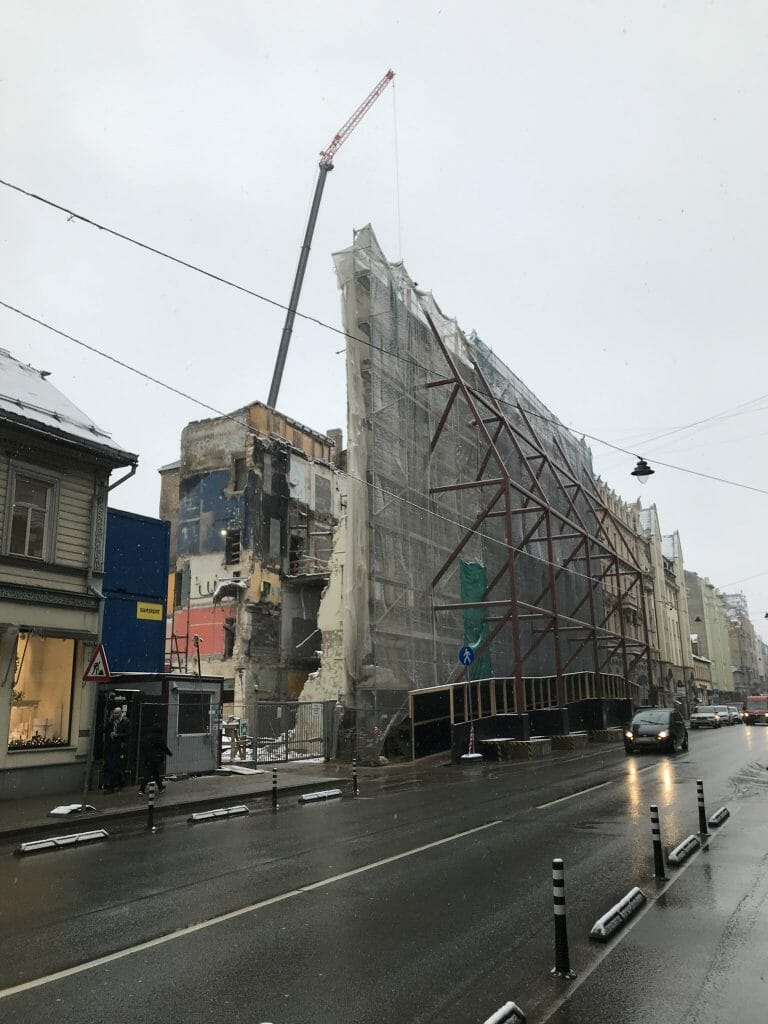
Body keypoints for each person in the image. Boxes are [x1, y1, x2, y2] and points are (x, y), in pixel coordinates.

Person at [138, 720, 173, 795]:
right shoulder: (158, 737)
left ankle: (160, 787)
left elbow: (143, 746)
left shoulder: (147, 736)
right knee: (150, 773)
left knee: (155, 772)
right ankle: (141, 789)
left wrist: (146, 756)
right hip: (155, 757)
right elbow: (163, 746)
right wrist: (169, 753)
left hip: (148, 757)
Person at [103, 705, 130, 792]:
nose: (115, 715)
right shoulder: (112, 721)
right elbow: (106, 729)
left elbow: (128, 734)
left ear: (120, 713)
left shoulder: (125, 721)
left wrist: (117, 735)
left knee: (115, 766)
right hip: (111, 746)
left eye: (117, 713)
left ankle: (113, 785)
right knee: (112, 766)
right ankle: (118, 783)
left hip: (119, 747)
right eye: (114, 713)